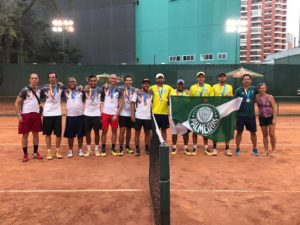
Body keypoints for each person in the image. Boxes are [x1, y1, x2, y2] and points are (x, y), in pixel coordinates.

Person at [15, 73, 43, 162]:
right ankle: (25, 154)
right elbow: (17, 103)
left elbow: (51, 86)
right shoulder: (25, 90)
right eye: (32, 78)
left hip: (36, 114)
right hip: (26, 115)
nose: (34, 80)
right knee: (25, 135)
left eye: (36, 78)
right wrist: (19, 115)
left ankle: (35, 153)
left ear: (38, 80)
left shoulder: (40, 89)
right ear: (29, 80)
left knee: (35, 134)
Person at [234, 74, 259, 156]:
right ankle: (237, 148)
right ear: (242, 81)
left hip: (251, 115)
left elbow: (261, 94)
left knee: (253, 133)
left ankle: (255, 149)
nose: (246, 81)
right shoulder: (238, 90)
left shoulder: (254, 89)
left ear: (250, 80)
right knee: (239, 132)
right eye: (245, 79)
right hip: (240, 115)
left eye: (248, 79)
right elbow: (234, 102)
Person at [41, 72, 63, 160]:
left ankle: (57, 150)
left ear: (56, 78)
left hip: (57, 113)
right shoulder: (44, 87)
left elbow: (72, 88)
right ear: (48, 79)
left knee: (58, 134)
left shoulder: (60, 87)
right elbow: (37, 95)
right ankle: (49, 151)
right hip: (47, 114)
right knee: (48, 134)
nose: (51, 78)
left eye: (53, 77)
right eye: (50, 77)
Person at [209, 72, 233, 156]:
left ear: (226, 78)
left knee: (226, 130)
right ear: (218, 78)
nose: (222, 78)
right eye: (220, 77)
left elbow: (231, 99)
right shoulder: (214, 87)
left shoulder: (229, 87)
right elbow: (212, 98)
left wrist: (229, 96)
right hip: (217, 111)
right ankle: (214, 148)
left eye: (224, 77)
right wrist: (221, 98)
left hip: (226, 112)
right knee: (215, 130)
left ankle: (227, 148)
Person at [189, 71, 212, 156]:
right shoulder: (192, 87)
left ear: (204, 78)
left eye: (202, 77)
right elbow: (190, 99)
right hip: (195, 111)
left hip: (206, 111)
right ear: (197, 78)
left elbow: (212, 98)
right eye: (199, 77)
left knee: (205, 130)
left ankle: (206, 147)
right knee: (195, 130)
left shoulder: (209, 87)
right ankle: (195, 147)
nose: (201, 78)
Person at [101, 74, 123, 156]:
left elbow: (121, 103)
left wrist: (116, 114)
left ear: (116, 80)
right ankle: (103, 149)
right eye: (112, 78)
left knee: (114, 131)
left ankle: (113, 148)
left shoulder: (119, 90)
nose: (113, 80)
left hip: (114, 114)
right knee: (104, 131)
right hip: (105, 113)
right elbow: (92, 89)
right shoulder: (105, 88)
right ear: (109, 79)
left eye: (115, 78)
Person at [63, 77, 85, 158]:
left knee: (80, 135)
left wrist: (84, 87)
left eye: (73, 81)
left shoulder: (81, 90)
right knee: (70, 135)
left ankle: (80, 150)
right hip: (70, 116)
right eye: (70, 82)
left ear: (76, 82)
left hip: (80, 116)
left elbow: (88, 89)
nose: (72, 83)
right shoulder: (65, 91)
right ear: (68, 83)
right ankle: (70, 151)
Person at [131, 78, 152, 156]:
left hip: (148, 117)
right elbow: (132, 103)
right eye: (145, 83)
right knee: (137, 133)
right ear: (142, 84)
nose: (146, 85)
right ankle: (137, 149)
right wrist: (132, 115)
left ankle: (147, 148)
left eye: (148, 83)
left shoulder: (151, 93)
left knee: (147, 134)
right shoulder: (137, 92)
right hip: (138, 117)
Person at [149, 73, 173, 141]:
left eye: (161, 78)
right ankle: (155, 144)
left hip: (164, 113)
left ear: (164, 79)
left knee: (164, 130)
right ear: (156, 79)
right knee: (155, 131)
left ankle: (163, 144)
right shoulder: (152, 88)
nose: (160, 79)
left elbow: (174, 94)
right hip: (154, 113)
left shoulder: (168, 87)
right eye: (158, 78)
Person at [83, 75, 103, 157]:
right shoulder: (85, 90)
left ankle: (96, 149)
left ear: (96, 81)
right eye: (91, 81)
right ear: (89, 81)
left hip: (96, 115)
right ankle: (88, 150)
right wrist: (85, 87)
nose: (93, 82)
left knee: (97, 132)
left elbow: (106, 88)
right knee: (87, 133)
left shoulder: (100, 90)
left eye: (94, 80)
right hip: (87, 115)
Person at [169, 79, 190, 156]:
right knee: (174, 132)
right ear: (176, 85)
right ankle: (174, 147)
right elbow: (168, 100)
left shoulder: (187, 93)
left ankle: (186, 148)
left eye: (181, 84)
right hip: (174, 115)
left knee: (185, 132)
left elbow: (189, 102)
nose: (180, 86)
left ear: (184, 85)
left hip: (184, 115)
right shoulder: (172, 92)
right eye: (179, 84)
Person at [256, 83, 276, 157]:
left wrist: (274, 118)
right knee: (265, 135)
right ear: (258, 89)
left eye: (263, 88)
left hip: (270, 117)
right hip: (262, 117)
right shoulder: (257, 97)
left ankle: (273, 150)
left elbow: (274, 108)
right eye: (260, 88)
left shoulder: (270, 97)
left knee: (272, 134)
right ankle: (266, 151)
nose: (262, 89)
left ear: (266, 88)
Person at [118, 75, 137, 156]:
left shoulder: (134, 90)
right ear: (124, 81)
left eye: (130, 80)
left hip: (130, 114)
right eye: (127, 80)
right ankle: (121, 148)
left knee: (129, 131)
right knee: (122, 131)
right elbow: (110, 87)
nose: (128, 81)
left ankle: (127, 146)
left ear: (131, 81)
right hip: (122, 114)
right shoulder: (120, 89)